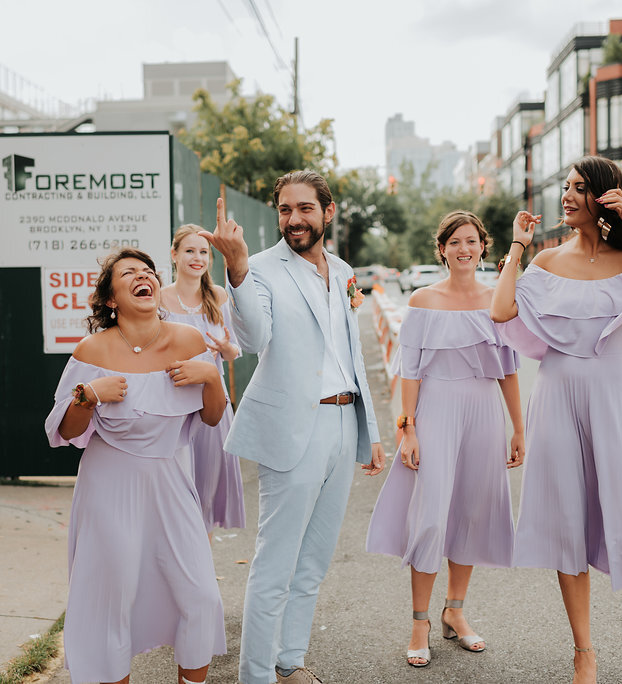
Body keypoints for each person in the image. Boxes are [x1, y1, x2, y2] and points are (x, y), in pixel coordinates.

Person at [490, 156, 622, 684]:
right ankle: (584, 654)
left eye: (579, 188)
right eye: (566, 187)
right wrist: (516, 246)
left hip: (610, 394)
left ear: (604, 197)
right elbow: (501, 310)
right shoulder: (548, 262)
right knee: (567, 527)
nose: (567, 196)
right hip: (555, 395)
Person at [199, 171, 387, 684]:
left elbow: (350, 355)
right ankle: (255, 676)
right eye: (285, 209)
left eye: (305, 208)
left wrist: (367, 431)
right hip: (292, 428)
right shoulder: (258, 268)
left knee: (314, 561)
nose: (293, 219)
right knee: (275, 563)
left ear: (328, 211)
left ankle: (290, 661)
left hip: (343, 421)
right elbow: (256, 338)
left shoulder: (345, 271)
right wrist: (235, 269)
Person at [44, 248, 228, 684]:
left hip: (170, 478)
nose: (143, 276)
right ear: (111, 299)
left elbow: (213, 417)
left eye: (148, 271)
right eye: (129, 273)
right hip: (110, 482)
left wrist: (212, 378)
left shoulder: (190, 340)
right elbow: (67, 431)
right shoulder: (93, 349)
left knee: (200, 594)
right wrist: (88, 394)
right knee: (113, 597)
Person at [365, 210, 525, 669]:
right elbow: (410, 371)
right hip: (435, 409)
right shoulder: (423, 300)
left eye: (471, 241)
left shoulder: (498, 300)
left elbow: (509, 369)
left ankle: (455, 610)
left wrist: (518, 427)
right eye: (454, 241)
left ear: (483, 247)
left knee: (471, 512)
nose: (463, 249)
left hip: (484, 412)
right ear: (442, 249)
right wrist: (408, 428)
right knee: (431, 516)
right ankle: (420, 621)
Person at [160, 224, 246, 535]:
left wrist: (225, 347)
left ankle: (200, 575)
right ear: (174, 255)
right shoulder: (158, 299)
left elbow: (235, 351)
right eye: (189, 251)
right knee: (173, 494)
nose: (197, 258)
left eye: (203, 252)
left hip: (212, 406)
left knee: (205, 495)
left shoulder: (218, 296)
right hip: (170, 404)